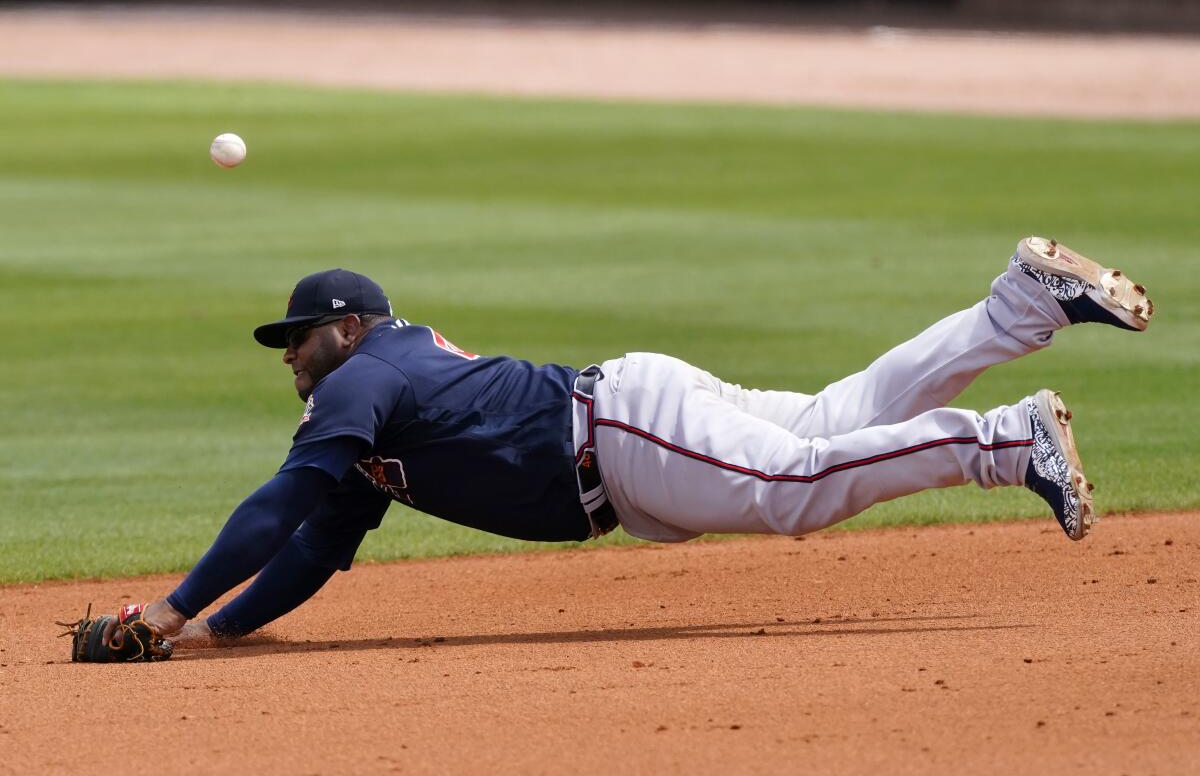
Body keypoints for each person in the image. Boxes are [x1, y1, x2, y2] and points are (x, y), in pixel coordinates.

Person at [130, 237, 1154, 644]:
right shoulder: (380, 394)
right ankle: (1023, 305)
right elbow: (309, 540)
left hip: (623, 437)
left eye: (296, 337)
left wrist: (173, 605)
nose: (288, 356)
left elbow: (276, 498)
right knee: (840, 419)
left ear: (347, 327)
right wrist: (213, 631)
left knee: (799, 482)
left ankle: (1006, 442)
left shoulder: (366, 374)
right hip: (628, 428)